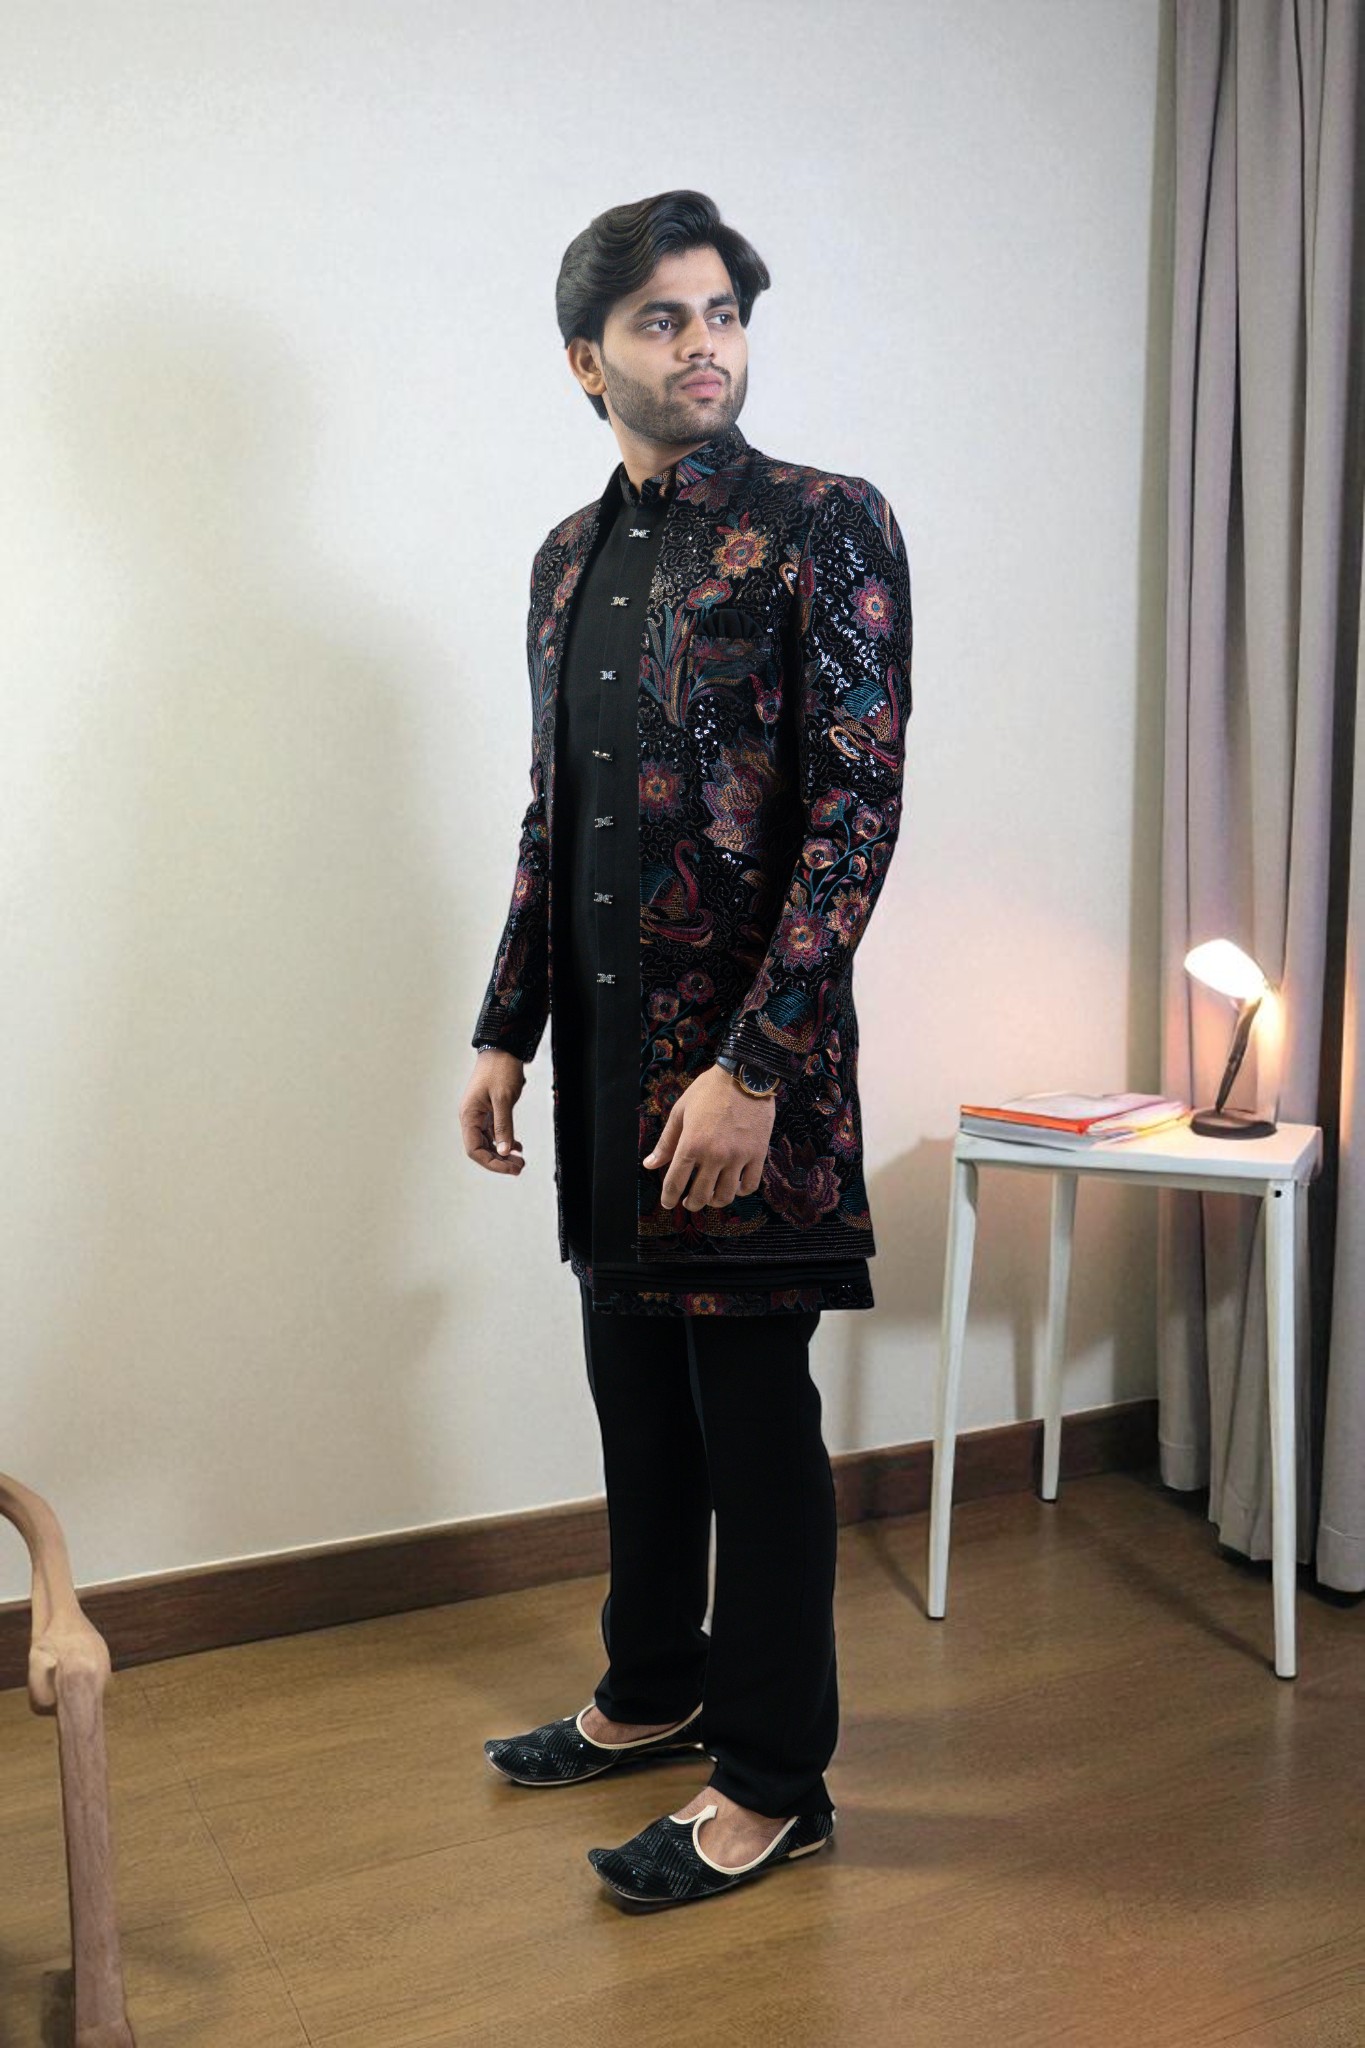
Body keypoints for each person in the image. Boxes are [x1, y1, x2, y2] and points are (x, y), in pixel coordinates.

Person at [461, 189, 912, 1908]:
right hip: (604, 1071)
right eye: (661, 318)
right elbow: (552, 818)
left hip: (748, 1078)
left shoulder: (822, 526)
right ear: (588, 360)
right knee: (635, 1405)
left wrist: (757, 1068)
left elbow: (852, 817)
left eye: (721, 311)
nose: (703, 343)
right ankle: (651, 1689)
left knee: (750, 1426)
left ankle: (773, 1780)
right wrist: (506, 1028)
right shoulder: (562, 562)